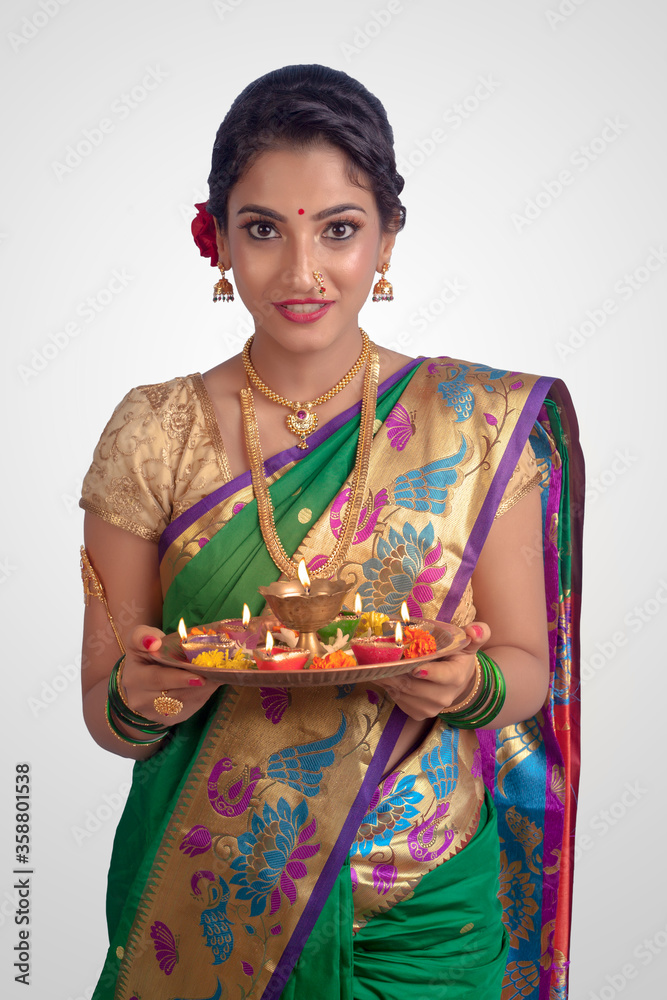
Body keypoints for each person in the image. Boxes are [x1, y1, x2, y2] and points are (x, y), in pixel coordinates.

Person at [79, 64, 583, 1000]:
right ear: (218, 240)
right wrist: (145, 696)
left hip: (427, 909)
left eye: (339, 230)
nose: (301, 271)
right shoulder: (154, 431)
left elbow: (523, 669)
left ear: (388, 236)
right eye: (262, 229)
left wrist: (465, 682)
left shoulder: (475, 423)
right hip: (208, 903)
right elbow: (105, 703)